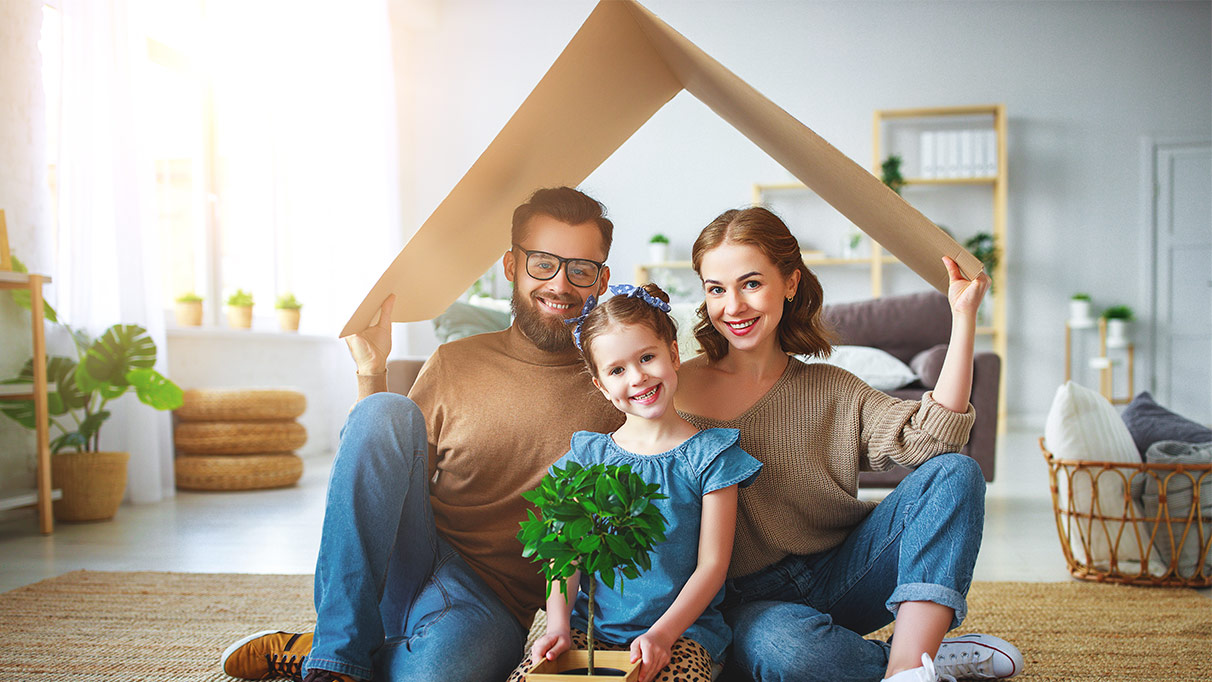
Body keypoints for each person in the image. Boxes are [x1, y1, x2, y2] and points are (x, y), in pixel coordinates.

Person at [220, 187, 627, 682]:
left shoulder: (620, 383)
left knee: (437, 677)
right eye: (542, 263)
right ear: (511, 266)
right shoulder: (454, 362)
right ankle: (337, 658)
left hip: (490, 601)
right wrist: (372, 373)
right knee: (384, 411)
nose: (560, 284)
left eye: (580, 269)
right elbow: (379, 467)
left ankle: (328, 651)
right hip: (410, 558)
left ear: (602, 280)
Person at [674, 207, 1023, 682]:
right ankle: (923, 660)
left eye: (751, 283)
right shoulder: (670, 393)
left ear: (790, 283)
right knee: (795, 656)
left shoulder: (831, 388)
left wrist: (962, 317)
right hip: (746, 602)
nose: (732, 306)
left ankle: (906, 672)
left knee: (956, 473)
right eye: (716, 289)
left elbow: (930, 442)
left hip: (844, 572)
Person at [506, 283, 762, 682]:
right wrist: (557, 624)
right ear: (602, 387)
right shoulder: (588, 458)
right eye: (617, 370)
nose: (638, 377)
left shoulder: (709, 456)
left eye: (647, 357)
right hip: (587, 631)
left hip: (680, 635)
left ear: (674, 354)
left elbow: (712, 566)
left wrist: (661, 635)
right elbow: (564, 555)